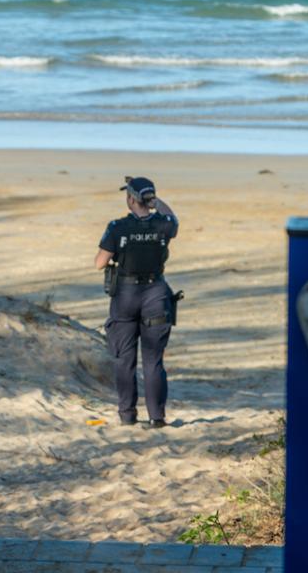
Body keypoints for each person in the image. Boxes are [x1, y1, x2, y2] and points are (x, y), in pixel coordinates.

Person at [94, 176, 179, 428]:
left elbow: (99, 263)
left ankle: (127, 415)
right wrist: (155, 201)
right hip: (156, 294)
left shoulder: (118, 227)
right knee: (153, 361)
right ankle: (157, 418)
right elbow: (173, 218)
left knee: (124, 359)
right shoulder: (163, 225)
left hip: (126, 296)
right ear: (150, 200)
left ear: (131, 199)